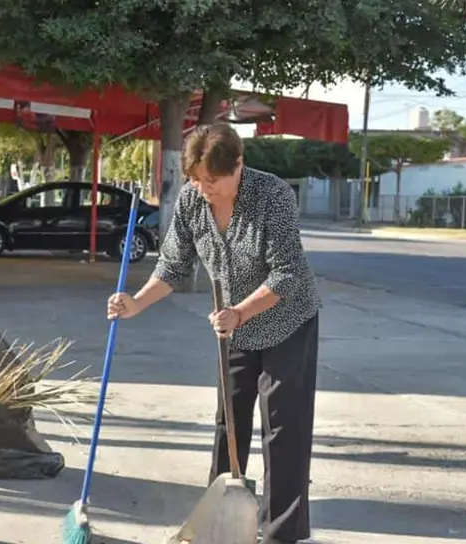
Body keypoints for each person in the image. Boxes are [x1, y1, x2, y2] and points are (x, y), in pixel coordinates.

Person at [106, 123, 320, 543]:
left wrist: (241, 312)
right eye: (196, 179)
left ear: (238, 165)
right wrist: (135, 303)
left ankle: (281, 532)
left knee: (283, 427)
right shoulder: (191, 202)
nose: (204, 188)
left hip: (287, 320)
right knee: (229, 422)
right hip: (233, 327)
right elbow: (173, 265)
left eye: (213, 179)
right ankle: (223, 520)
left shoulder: (272, 195)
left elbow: (288, 271)